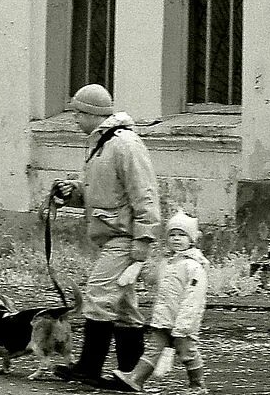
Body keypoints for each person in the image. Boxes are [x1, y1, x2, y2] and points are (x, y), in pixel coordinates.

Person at [48, 83, 162, 386]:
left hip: (123, 237)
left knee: (98, 296)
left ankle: (89, 368)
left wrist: (144, 239)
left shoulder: (125, 144)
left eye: (77, 113)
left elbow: (145, 194)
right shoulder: (101, 144)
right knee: (124, 308)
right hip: (112, 234)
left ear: (91, 113)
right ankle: (129, 374)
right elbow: (101, 194)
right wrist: (74, 191)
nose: (74, 119)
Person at [110, 211, 209, 392]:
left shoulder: (194, 266)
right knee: (153, 350)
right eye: (172, 234)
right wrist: (139, 267)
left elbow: (193, 298)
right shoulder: (167, 262)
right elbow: (154, 281)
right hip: (163, 318)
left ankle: (197, 384)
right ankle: (136, 379)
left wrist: (184, 324)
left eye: (182, 235)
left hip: (183, 321)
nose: (176, 239)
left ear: (192, 239)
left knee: (187, 353)